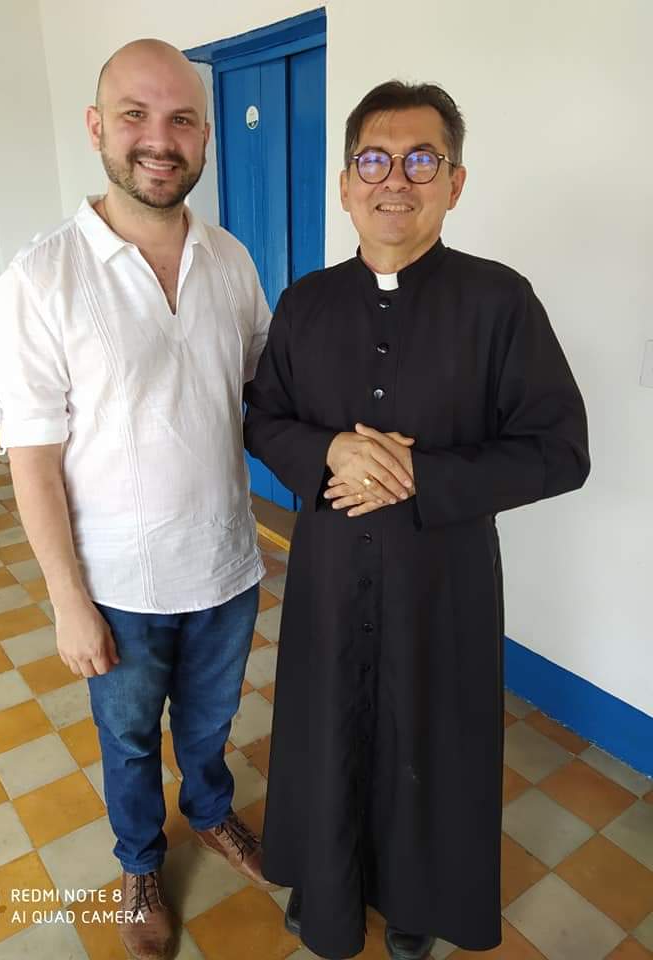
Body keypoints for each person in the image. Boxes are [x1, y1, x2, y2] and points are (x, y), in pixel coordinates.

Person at [244, 80, 589, 960]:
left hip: (444, 587)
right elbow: (262, 418)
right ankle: (326, 887)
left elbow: (558, 448)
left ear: (455, 183)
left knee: (426, 747)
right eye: (374, 159)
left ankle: (413, 908)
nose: (394, 179)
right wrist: (329, 453)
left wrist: (417, 476)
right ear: (346, 183)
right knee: (331, 735)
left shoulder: (501, 302)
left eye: (420, 160)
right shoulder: (305, 303)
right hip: (328, 580)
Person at [0, 39, 271, 960]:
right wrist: (68, 599)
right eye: (136, 116)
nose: (161, 138)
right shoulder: (42, 277)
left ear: (203, 135)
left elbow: (272, 393)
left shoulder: (230, 261)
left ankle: (212, 811)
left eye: (183, 118)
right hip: (115, 583)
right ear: (96, 128)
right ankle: (140, 860)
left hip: (227, 564)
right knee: (126, 741)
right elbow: (32, 459)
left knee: (209, 723)